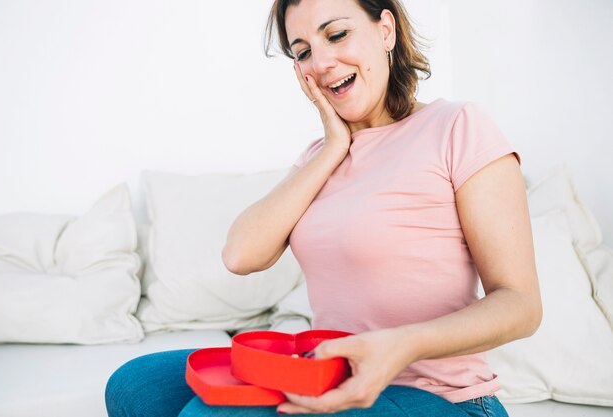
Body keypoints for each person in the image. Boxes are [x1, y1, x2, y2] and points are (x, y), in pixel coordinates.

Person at [105, 0, 542, 416]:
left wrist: (400, 345)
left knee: (214, 413)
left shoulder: (457, 126)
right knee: (135, 386)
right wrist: (336, 145)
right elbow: (240, 255)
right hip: (329, 376)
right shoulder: (320, 155)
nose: (322, 62)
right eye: (303, 52)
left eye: (336, 34)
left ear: (385, 30)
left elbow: (521, 304)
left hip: (442, 399)